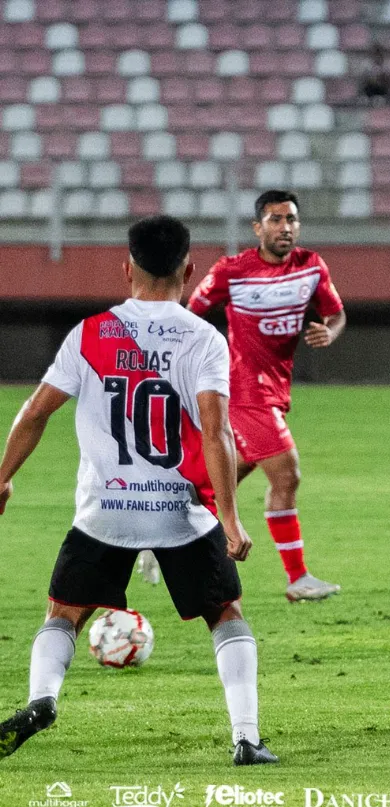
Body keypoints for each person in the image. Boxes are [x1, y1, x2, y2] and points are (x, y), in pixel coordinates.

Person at [0, 215, 277, 765]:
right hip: (180, 513)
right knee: (226, 613)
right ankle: (246, 737)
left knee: (63, 612)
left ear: (126, 268)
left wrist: (3, 475)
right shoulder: (204, 339)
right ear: (190, 270)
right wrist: (229, 517)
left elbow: (35, 412)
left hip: (105, 510)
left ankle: (42, 700)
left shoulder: (90, 333)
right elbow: (217, 431)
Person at [187, 190, 345, 602]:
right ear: (258, 228)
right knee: (287, 474)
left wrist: (329, 332)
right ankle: (297, 578)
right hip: (243, 390)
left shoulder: (311, 267)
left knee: (225, 476)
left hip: (276, 389)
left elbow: (336, 313)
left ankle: (174, 523)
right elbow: (189, 315)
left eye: (291, 219)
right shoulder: (232, 270)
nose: (285, 227)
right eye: (275, 220)